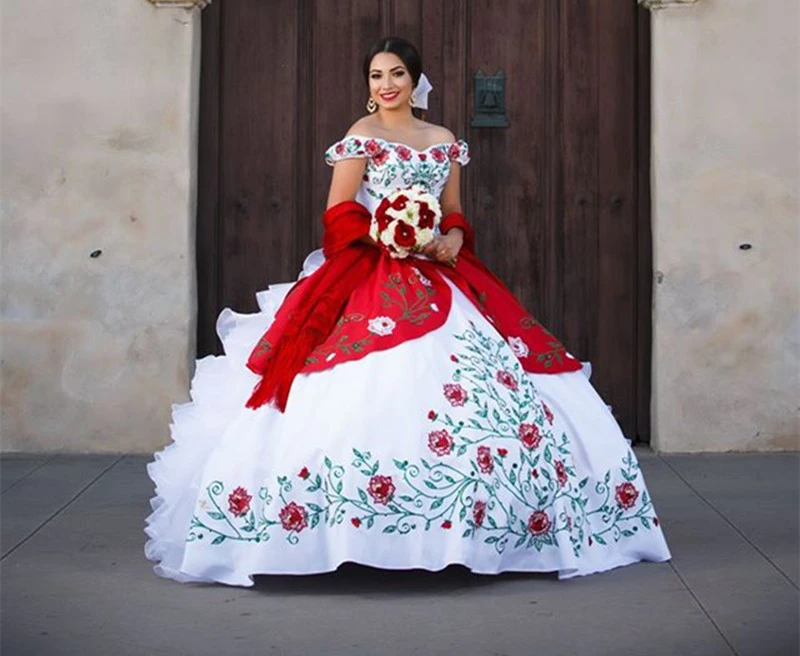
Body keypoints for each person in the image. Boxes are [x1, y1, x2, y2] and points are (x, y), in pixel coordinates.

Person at [145, 37, 671, 586]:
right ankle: (342, 533)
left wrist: (448, 238)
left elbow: (454, 212)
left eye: (396, 73)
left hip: (442, 275)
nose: (386, 85)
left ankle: (480, 526)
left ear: (415, 80)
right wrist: (387, 235)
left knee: (497, 383)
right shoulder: (361, 136)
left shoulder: (443, 141)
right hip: (373, 271)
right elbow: (339, 213)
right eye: (376, 76)